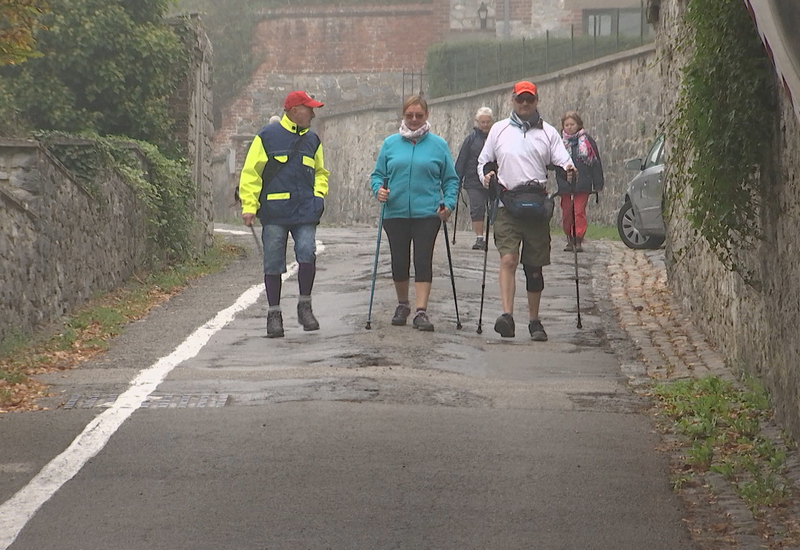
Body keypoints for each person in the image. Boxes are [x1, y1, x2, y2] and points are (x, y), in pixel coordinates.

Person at [477, 81, 576, 341]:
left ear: (536, 101)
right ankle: (507, 316)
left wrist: (569, 169)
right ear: (512, 100)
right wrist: (486, 176)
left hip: (536, 205)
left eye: (529, 100)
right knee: (508, 259)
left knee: (534, 268)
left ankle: (534, 321)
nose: (524, 104)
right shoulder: (498, 130)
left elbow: (562, 159)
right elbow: (484, 161)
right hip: (507, 203)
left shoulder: (548, 132)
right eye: (520, 99)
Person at [238, 90, 330, 338]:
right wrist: (249, 205)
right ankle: (274, 314)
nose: (312, 113)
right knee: (273, 261)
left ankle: (304, 307)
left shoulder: (313, 141)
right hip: (274, 212)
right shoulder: (267, 137)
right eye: (308, 108)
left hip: (305, 211)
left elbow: (321, 173)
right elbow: (251, 173)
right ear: (293, 111)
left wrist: (319, 196)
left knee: (307, 252)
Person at [370, 95, 459, 332]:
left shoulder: (438, 145)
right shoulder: (390, 144)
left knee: (422, 260)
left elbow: (450, 180)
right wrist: (378, 190)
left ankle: (421, 311)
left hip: (427, 213)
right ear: (403, 115)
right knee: (399, 262)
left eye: (419, 115)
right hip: (395, 212)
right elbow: (377, 175)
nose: (414, 120)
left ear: (426, 116)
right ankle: (403, 304)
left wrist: (448, 204)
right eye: (409, 115)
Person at [556, 111, 604, 252]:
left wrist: (598, 182)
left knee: (578, 211)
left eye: (572, 124)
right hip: (565, 184)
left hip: (583, 182)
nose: (570, 127)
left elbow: (595, 163)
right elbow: (554, 162)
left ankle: (578, 239)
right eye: (567, 125)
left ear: (578, 125)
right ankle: (569, 237)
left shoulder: (587, 142)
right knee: (567, 212)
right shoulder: (559, 143)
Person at [455, 107, 494, 250]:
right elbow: (462, 160)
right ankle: (479, 237)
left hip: (494, 180)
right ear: (477, 122)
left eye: (487, 122)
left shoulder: (496, 138)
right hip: (473, 181)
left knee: (495, 208)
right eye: (482, 122)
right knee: (477, 208)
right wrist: (457, 181)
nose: (485, 125)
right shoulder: (470, 140)